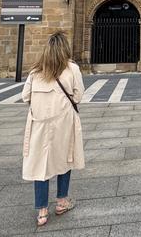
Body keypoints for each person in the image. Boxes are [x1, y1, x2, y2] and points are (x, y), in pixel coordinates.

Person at [21, 31, 85, 227]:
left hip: (39, 124)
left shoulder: (35, 72)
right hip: (63, 122)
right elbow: (78, 95)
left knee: (40, 165)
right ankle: (62, 201)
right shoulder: (72, 68)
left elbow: (25, 97)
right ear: (64, 49)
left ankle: (41, 211)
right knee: (65, 159)